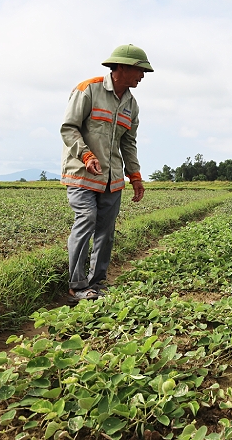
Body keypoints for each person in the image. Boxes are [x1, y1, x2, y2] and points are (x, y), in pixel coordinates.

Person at [60, 44, 152, 301]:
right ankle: (77, 285)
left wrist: (134, 175)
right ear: (121, 67)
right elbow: (69, 128)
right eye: (139, 70)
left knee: (106, 231)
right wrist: (86, 155)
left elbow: (128, 143)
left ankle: (96, 283)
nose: (142, 76)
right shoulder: (88, 89)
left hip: (112, 179)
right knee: (86, 219)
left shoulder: (131, 105)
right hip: (82, 173)